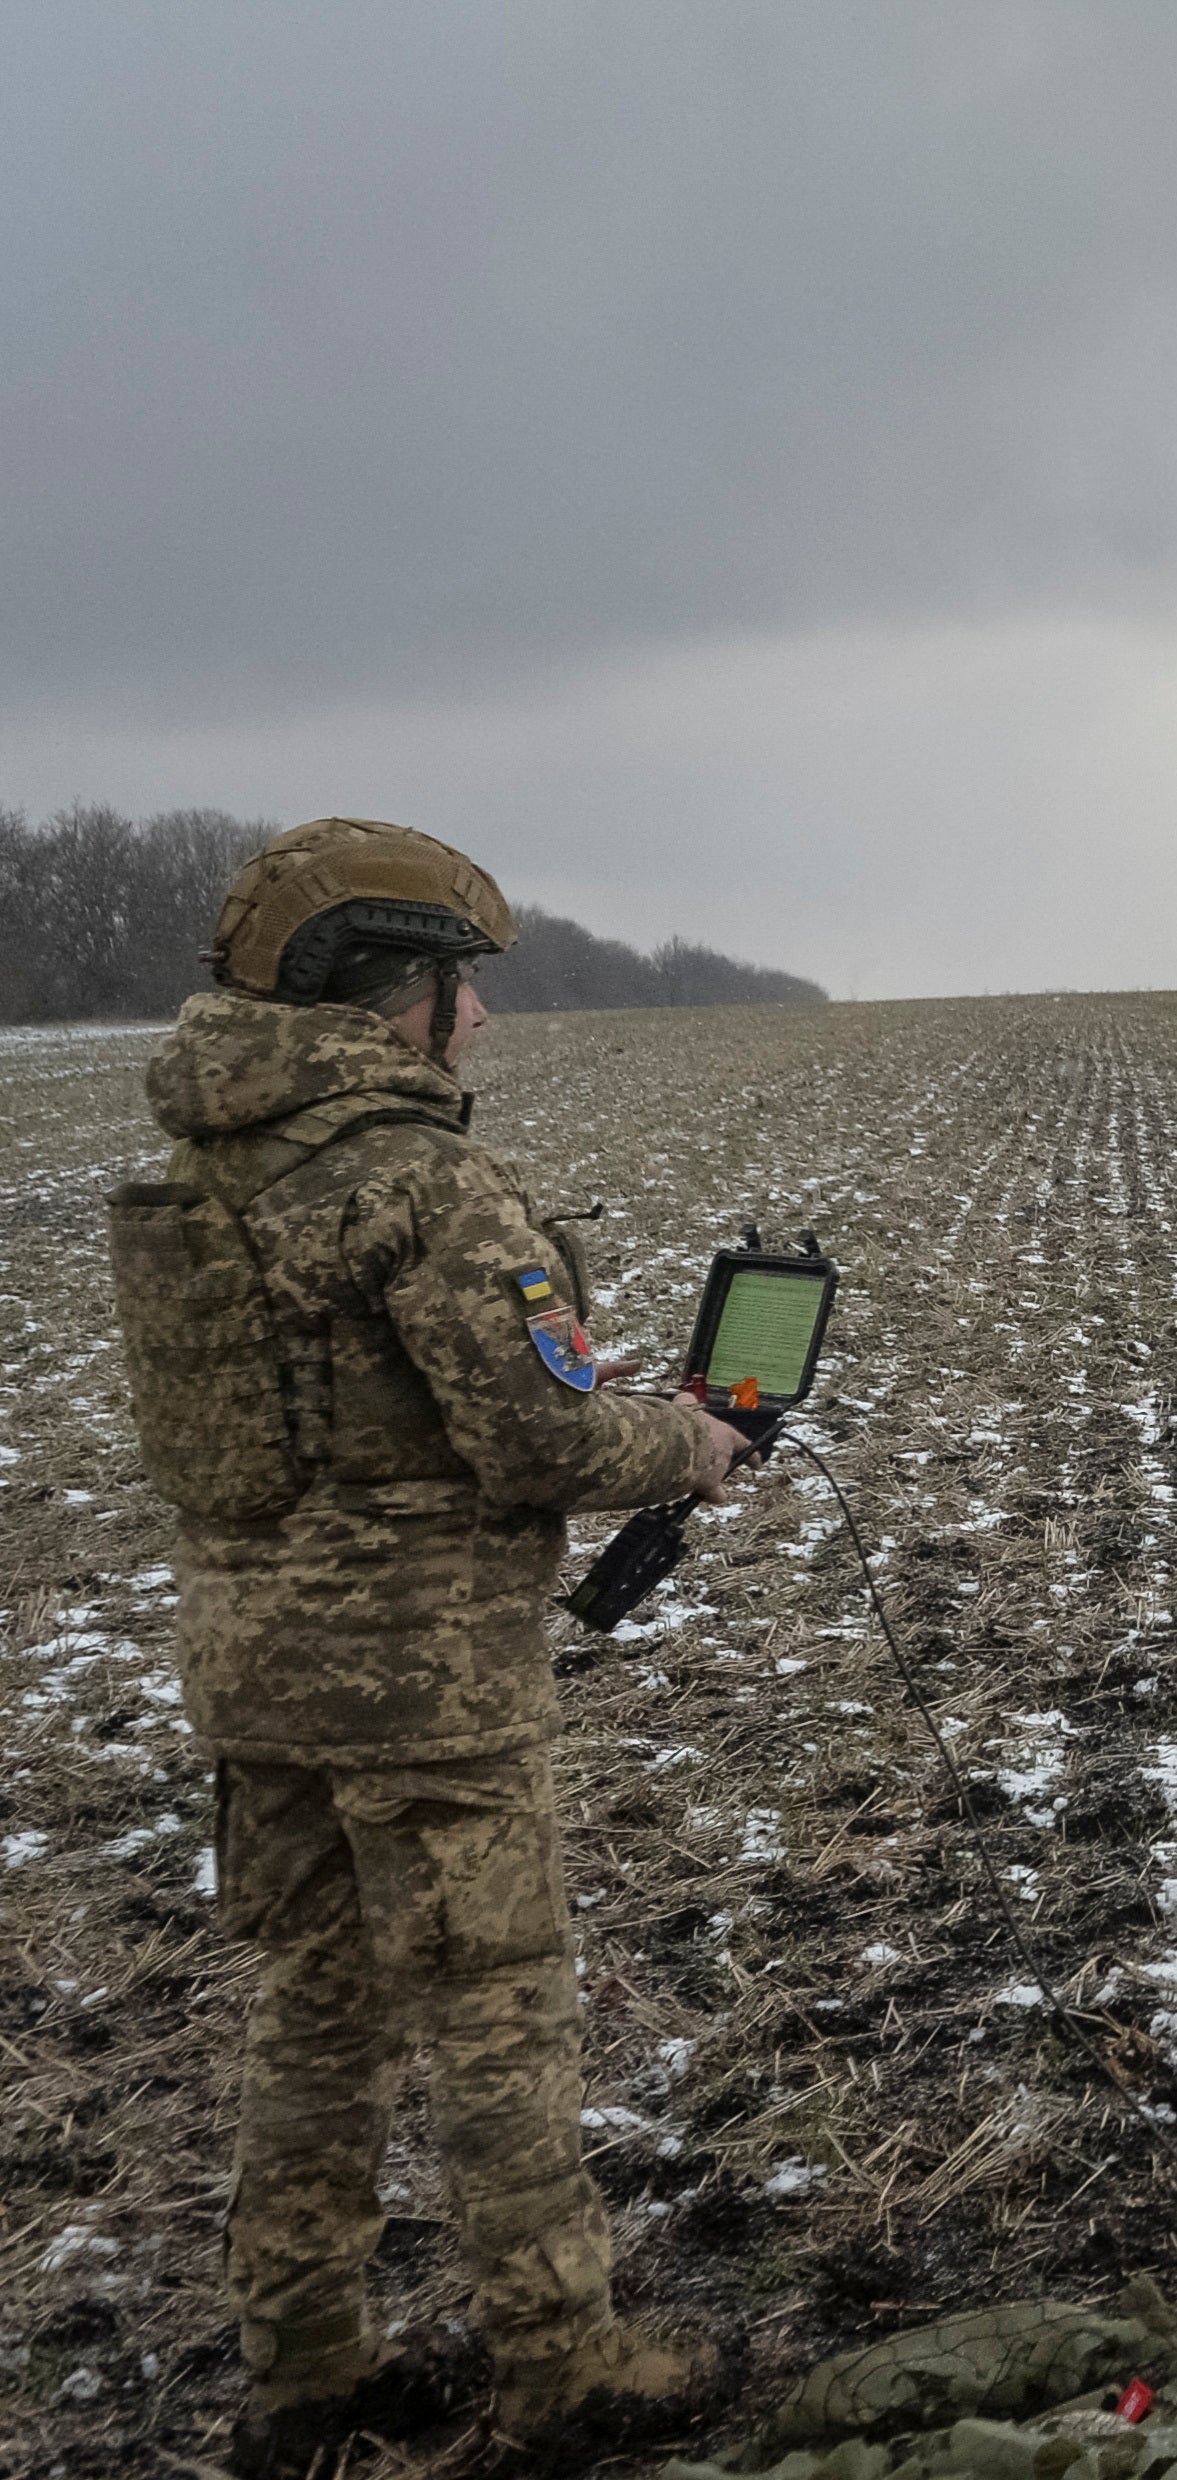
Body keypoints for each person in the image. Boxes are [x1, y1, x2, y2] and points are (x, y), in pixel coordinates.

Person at [110, 819, 753, 2470]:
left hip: (254, 1673)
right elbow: (537, 1441)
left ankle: (307, 2364)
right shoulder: (420, 1176)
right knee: (496, 2012)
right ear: (395, 993)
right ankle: (563, 2364)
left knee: (315, 2009)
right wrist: (682, 1445)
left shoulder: (200, 1168)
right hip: (425, 1683)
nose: (476, 1016)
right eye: (460, 986)